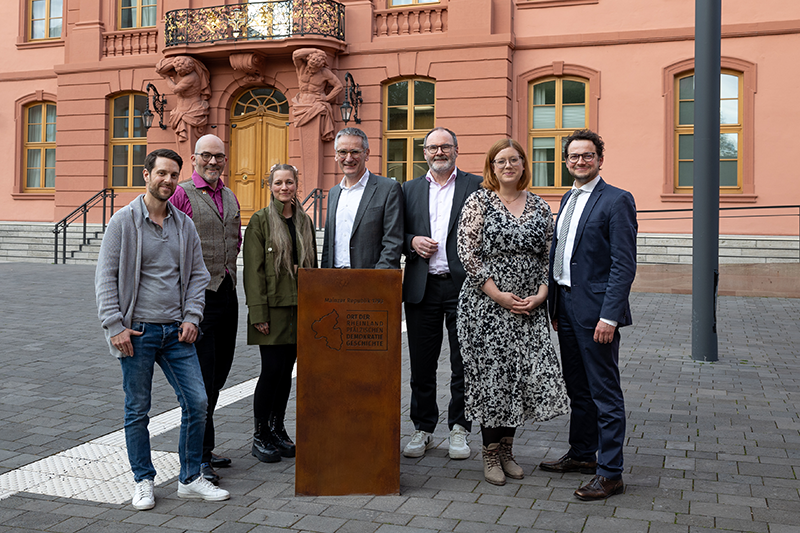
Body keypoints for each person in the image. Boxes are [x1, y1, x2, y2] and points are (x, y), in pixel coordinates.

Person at [95, 149, 230, 511]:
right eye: (161, 174)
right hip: (136, 333)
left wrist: (192, 316)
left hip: (176, 333)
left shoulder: (183, 225)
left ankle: (189, 479)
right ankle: (143, 479)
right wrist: (115, 326)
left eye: (174, 175)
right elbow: (106, 276)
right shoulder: (123, 221)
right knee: (138, 409)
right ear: (146, 175)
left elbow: (199, 275)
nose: (168, 181)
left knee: (198, 401)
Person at [456, 139, 569, 486]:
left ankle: (507, 450)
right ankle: (489, 453)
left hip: (528, 307)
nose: (508, 166)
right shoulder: (479, 201)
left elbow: (549, 256)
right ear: (491, 167)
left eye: (514, 160)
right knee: (493, 378)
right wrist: (498, 295)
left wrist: (541, 294)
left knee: (518, 378)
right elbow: (467, 252)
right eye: (500, 161)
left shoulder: (538, 205)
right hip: (486, 306)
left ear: (523, 165)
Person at [538, 129, 637, 501]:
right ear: (566, 161)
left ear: (599, 159)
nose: (580, 162)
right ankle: (582, 454)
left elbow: (623, 265)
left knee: (604, 392)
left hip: (597, 315)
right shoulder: (568, 197)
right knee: (577, 387)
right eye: (574, 156)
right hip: (566, 308)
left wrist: (609, 317)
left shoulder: (617, 200)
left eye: (587, 156)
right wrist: (555, 307)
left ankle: (610, 473)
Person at [401, 127, 482, 460]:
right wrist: (411, 241)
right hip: (422, 286)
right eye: (432, 148)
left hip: (464, 287)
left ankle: (460, 429)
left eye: (445, 147)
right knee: (422, 364)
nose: (439, 153)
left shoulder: (476, 186)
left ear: (456, 150)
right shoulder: (407, 190)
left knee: (464, 362)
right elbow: (394, 230)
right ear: (424, 153)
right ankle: (423, 428)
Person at [169, 134, 241, 484]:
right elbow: (171, 246)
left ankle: (206, 448)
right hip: (199, 300)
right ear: (194, 158)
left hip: (227, 296)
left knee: (220, 375)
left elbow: (234, 242)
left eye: (220, 157)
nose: (214, 162)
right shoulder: (182, 193)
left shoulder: (229, 195)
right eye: (207, 157)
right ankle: (196, 458)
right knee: (201, 382)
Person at [243, 164, 318, 464]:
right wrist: (258, 313)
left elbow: (312, 264)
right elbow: (253, 271)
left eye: (289, 182)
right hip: (272, 311)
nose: (284, 187)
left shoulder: (304, 221)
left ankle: (278, 429)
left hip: (299, 310)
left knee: (287, 372)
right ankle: (260, 434)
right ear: (270, 186)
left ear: (297, 185)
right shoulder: (260, 221)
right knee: (271, 371)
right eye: (278, 183)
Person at [321, 127, 403, 269]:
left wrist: (375, 280)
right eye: (342, 152)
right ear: (335, 155)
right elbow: (329, 244)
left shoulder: (388, 189)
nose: (348, 158)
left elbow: (393, 242)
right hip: (335, 281)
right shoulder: (333, 193)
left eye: (355, 152)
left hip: (371, 281)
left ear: (367, 154)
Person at [291, 48, 343, 141]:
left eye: (316, 69)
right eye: (311, 67)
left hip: (316, 103)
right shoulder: (301, 67)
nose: (312, 70)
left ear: (321, 66)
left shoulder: (325, 72)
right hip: (301, 103)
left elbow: (339, 86)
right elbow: (295, 54)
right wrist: (314, 51)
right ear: (308, 61)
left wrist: (327, 98)